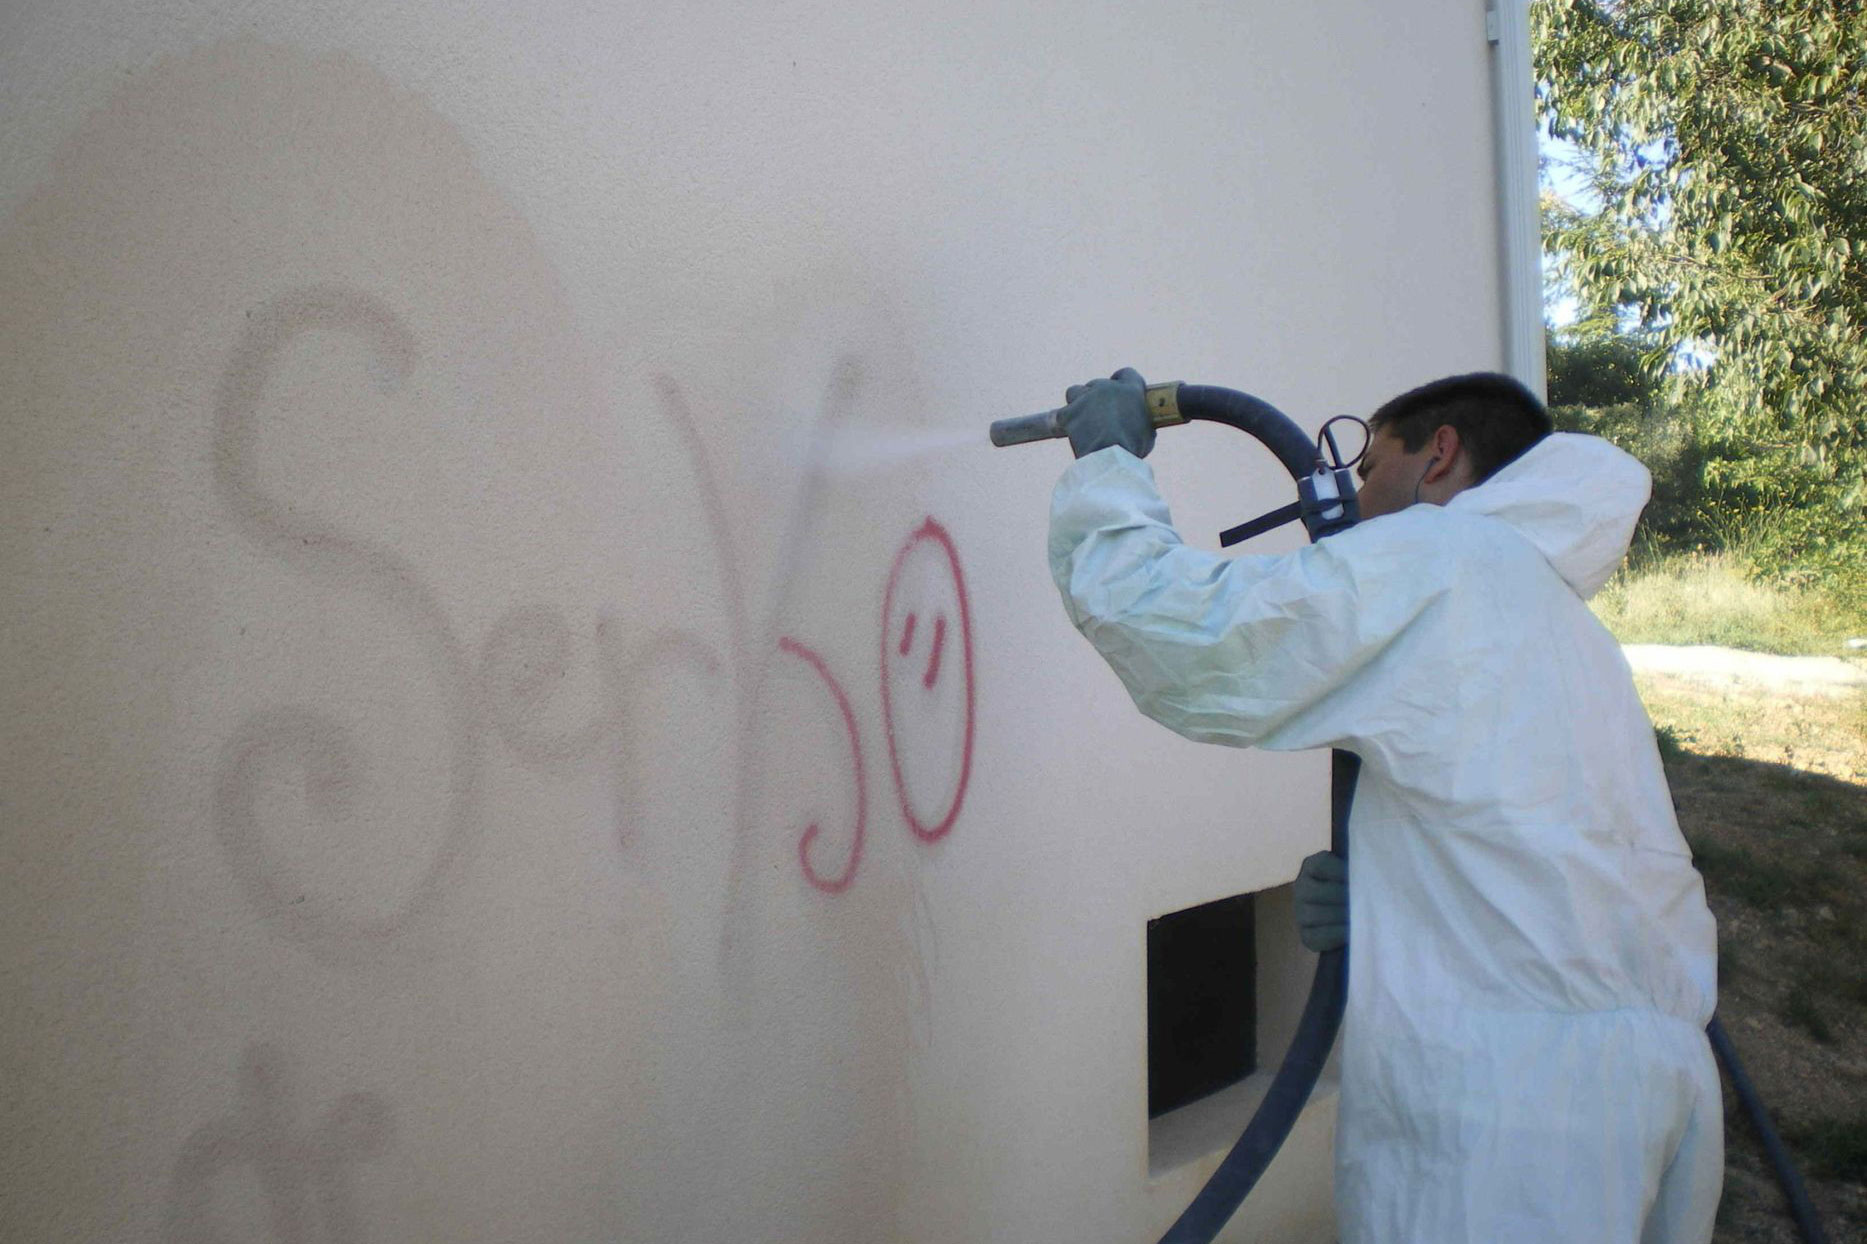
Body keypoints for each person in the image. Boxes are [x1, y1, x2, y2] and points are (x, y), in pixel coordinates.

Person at [1048, 368, 1721, 1243]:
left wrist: (1105, 462)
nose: (1356, 497)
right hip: (1646, 1090)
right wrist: (1394, 897)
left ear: (1437, 456)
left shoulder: (1442, 562)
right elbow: (1532, 844)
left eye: (1371, 465)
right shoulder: (1556, 619)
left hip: (1510, 1118)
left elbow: (1182, 634)